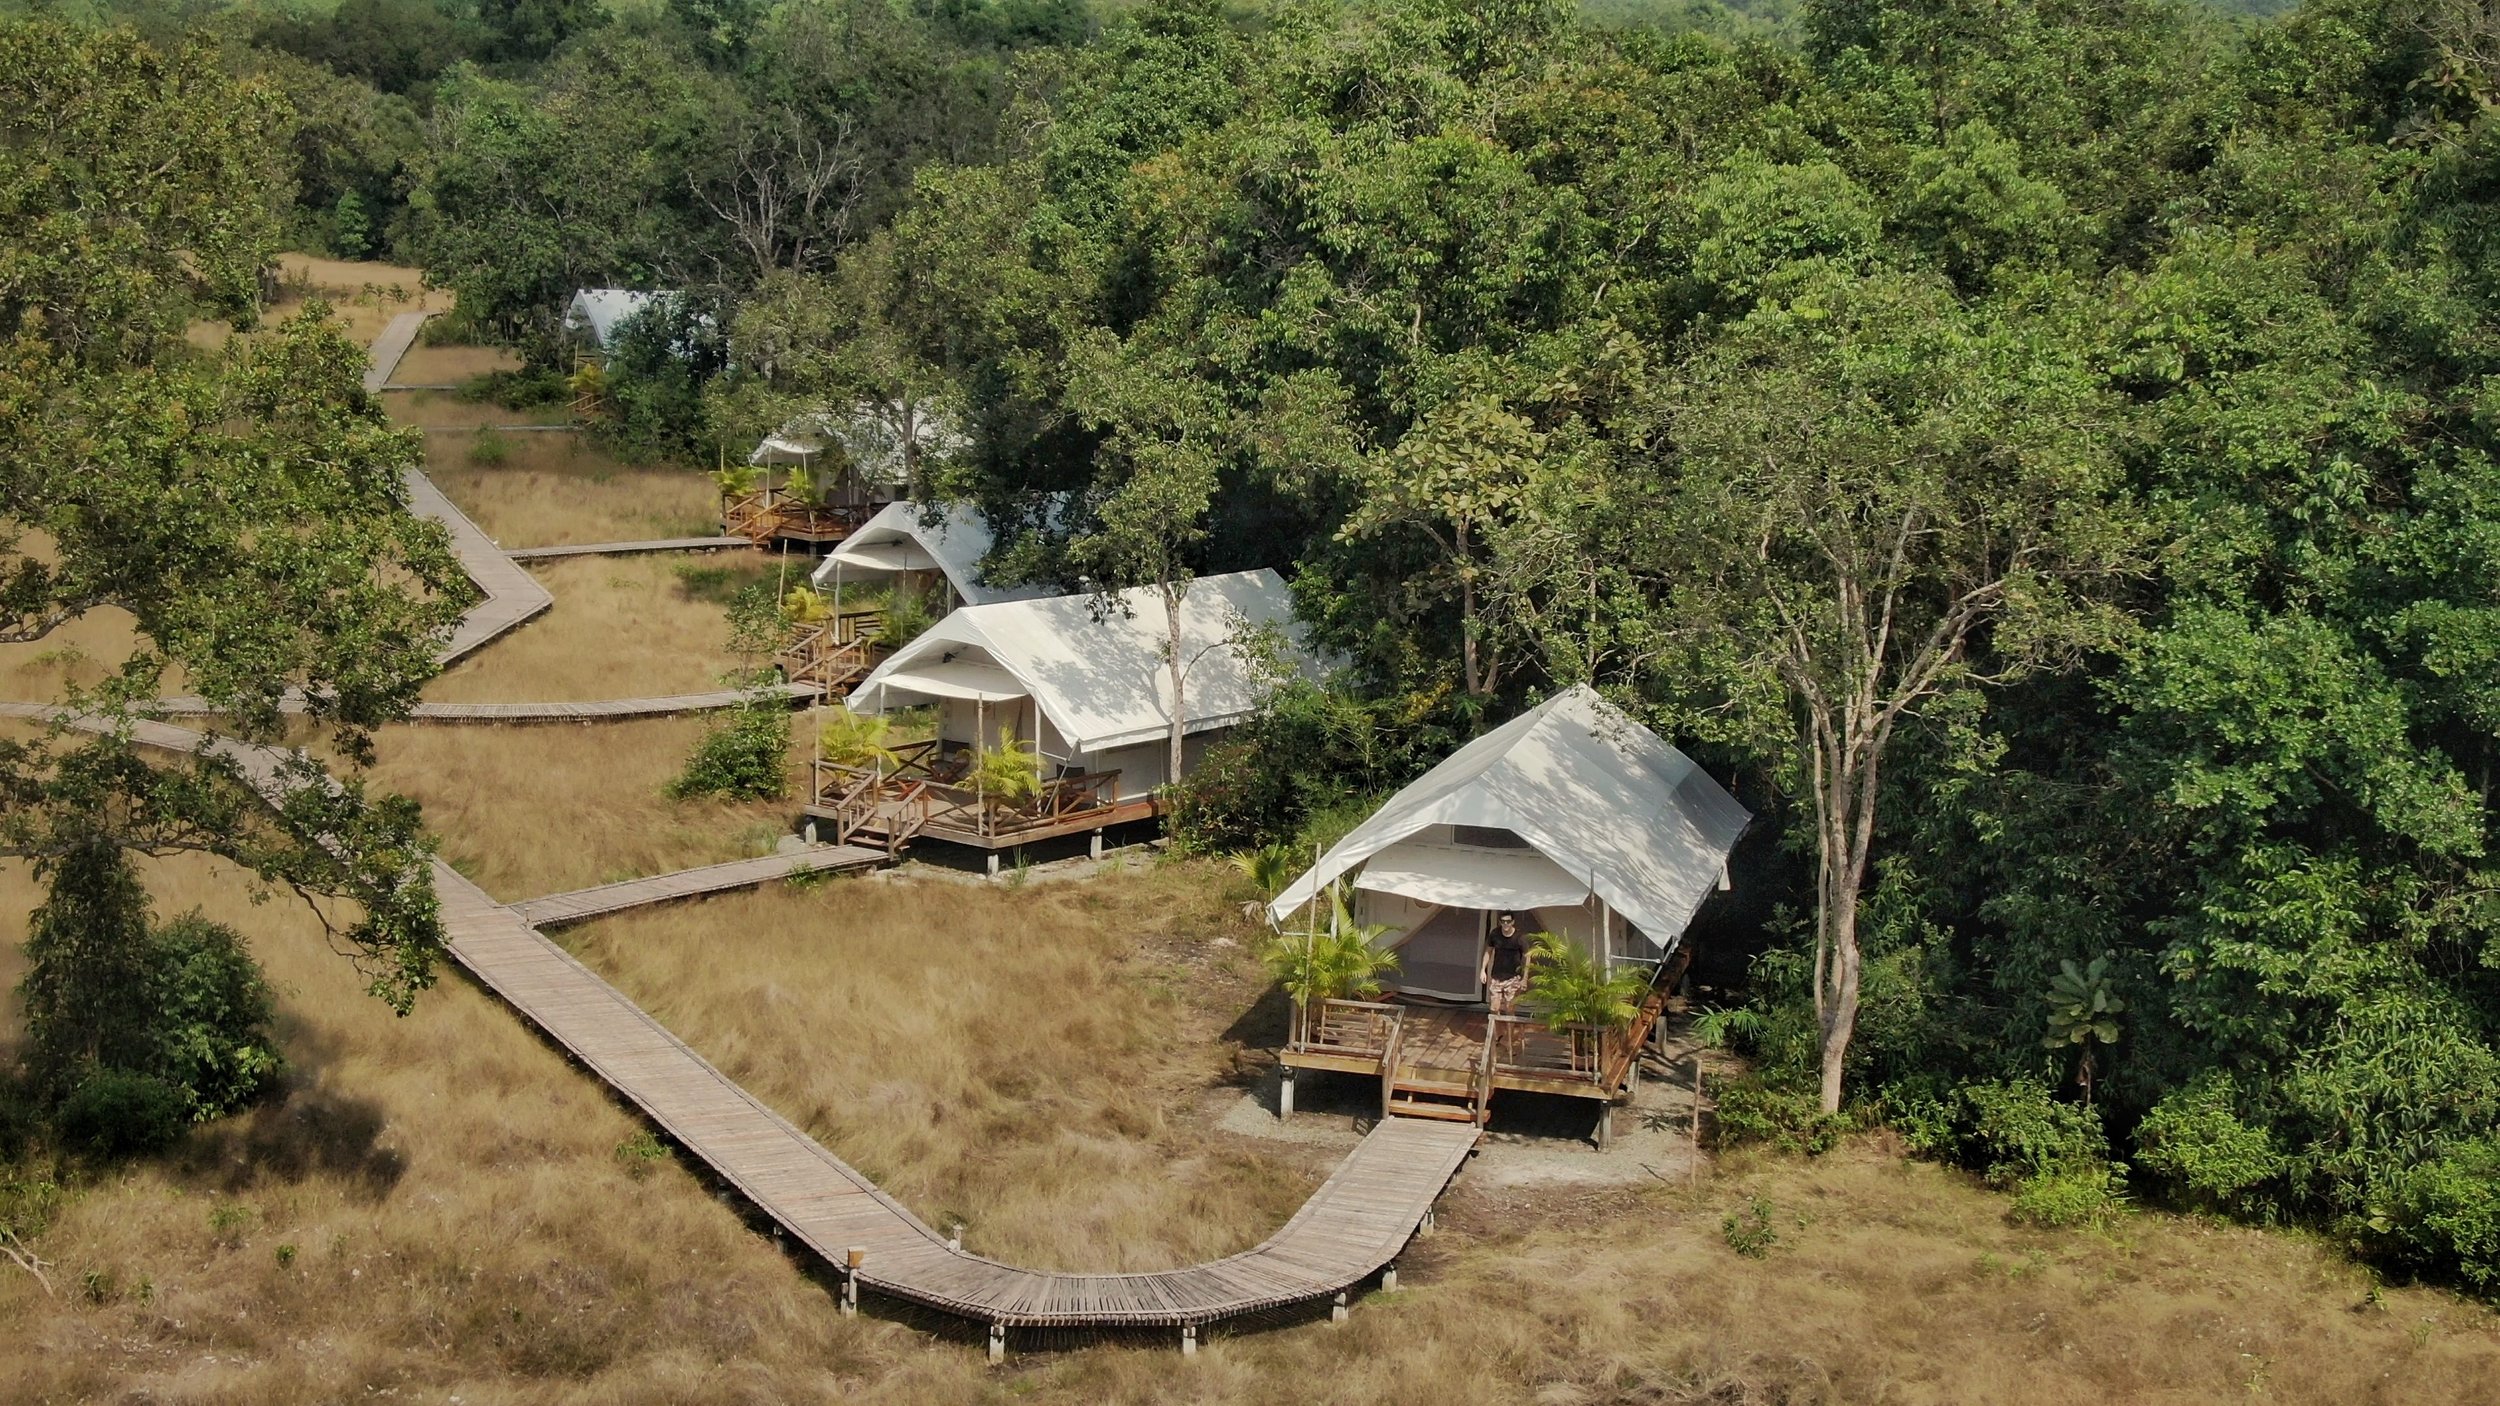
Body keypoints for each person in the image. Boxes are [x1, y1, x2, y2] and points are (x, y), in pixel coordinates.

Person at [1482, 911, 1533, 1016]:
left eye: (1508, 921)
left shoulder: (1519, 937)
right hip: (1497, 976)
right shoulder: (1495, 934)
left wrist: (1524, 978)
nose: (1505, 924)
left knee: (1509, 1008)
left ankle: (1510, 1027)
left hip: (1513, 977)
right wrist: (1483, 970)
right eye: (1503, 921)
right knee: (1494, 1008)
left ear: (1512, 922)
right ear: (1500, 922)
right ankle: (1496, 1027)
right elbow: (1488, 951)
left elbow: (1527, 957)